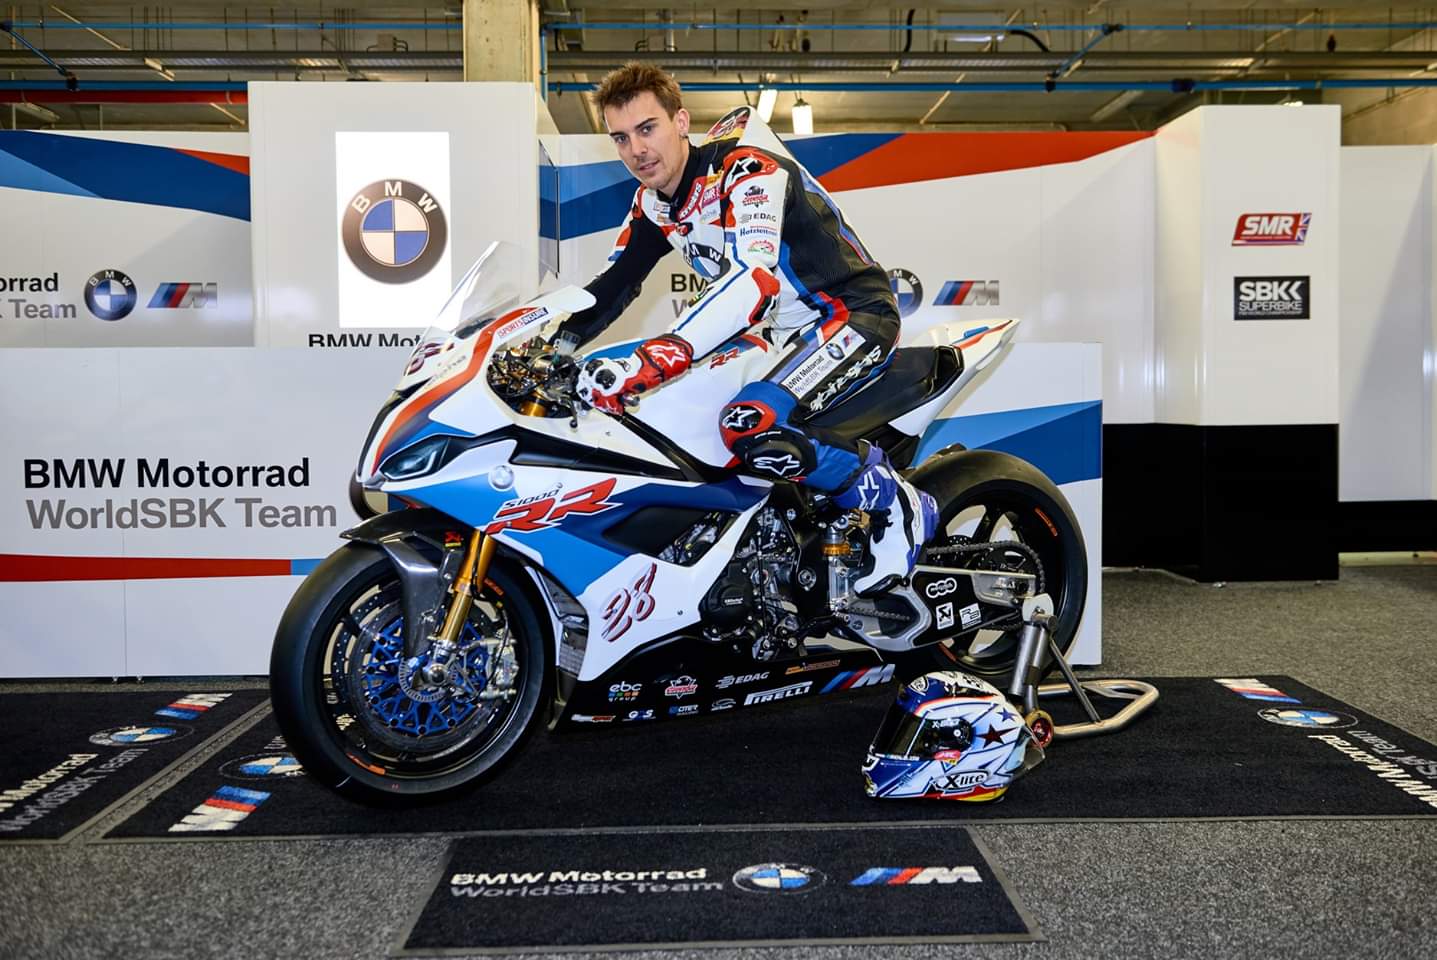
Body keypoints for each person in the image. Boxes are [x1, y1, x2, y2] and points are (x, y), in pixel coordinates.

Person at [560, 62, 937, 595]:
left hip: (852, 313)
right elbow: (615, 283)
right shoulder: (653, 202)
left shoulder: (747, 169)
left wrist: (668, 350)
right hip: (781, 333)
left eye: (647, 128)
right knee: (671, 414)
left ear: (680, 122)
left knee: (749, 422)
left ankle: (897, 503)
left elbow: (753, 278)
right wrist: (549, 344)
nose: (636, 150)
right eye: (621, 138)